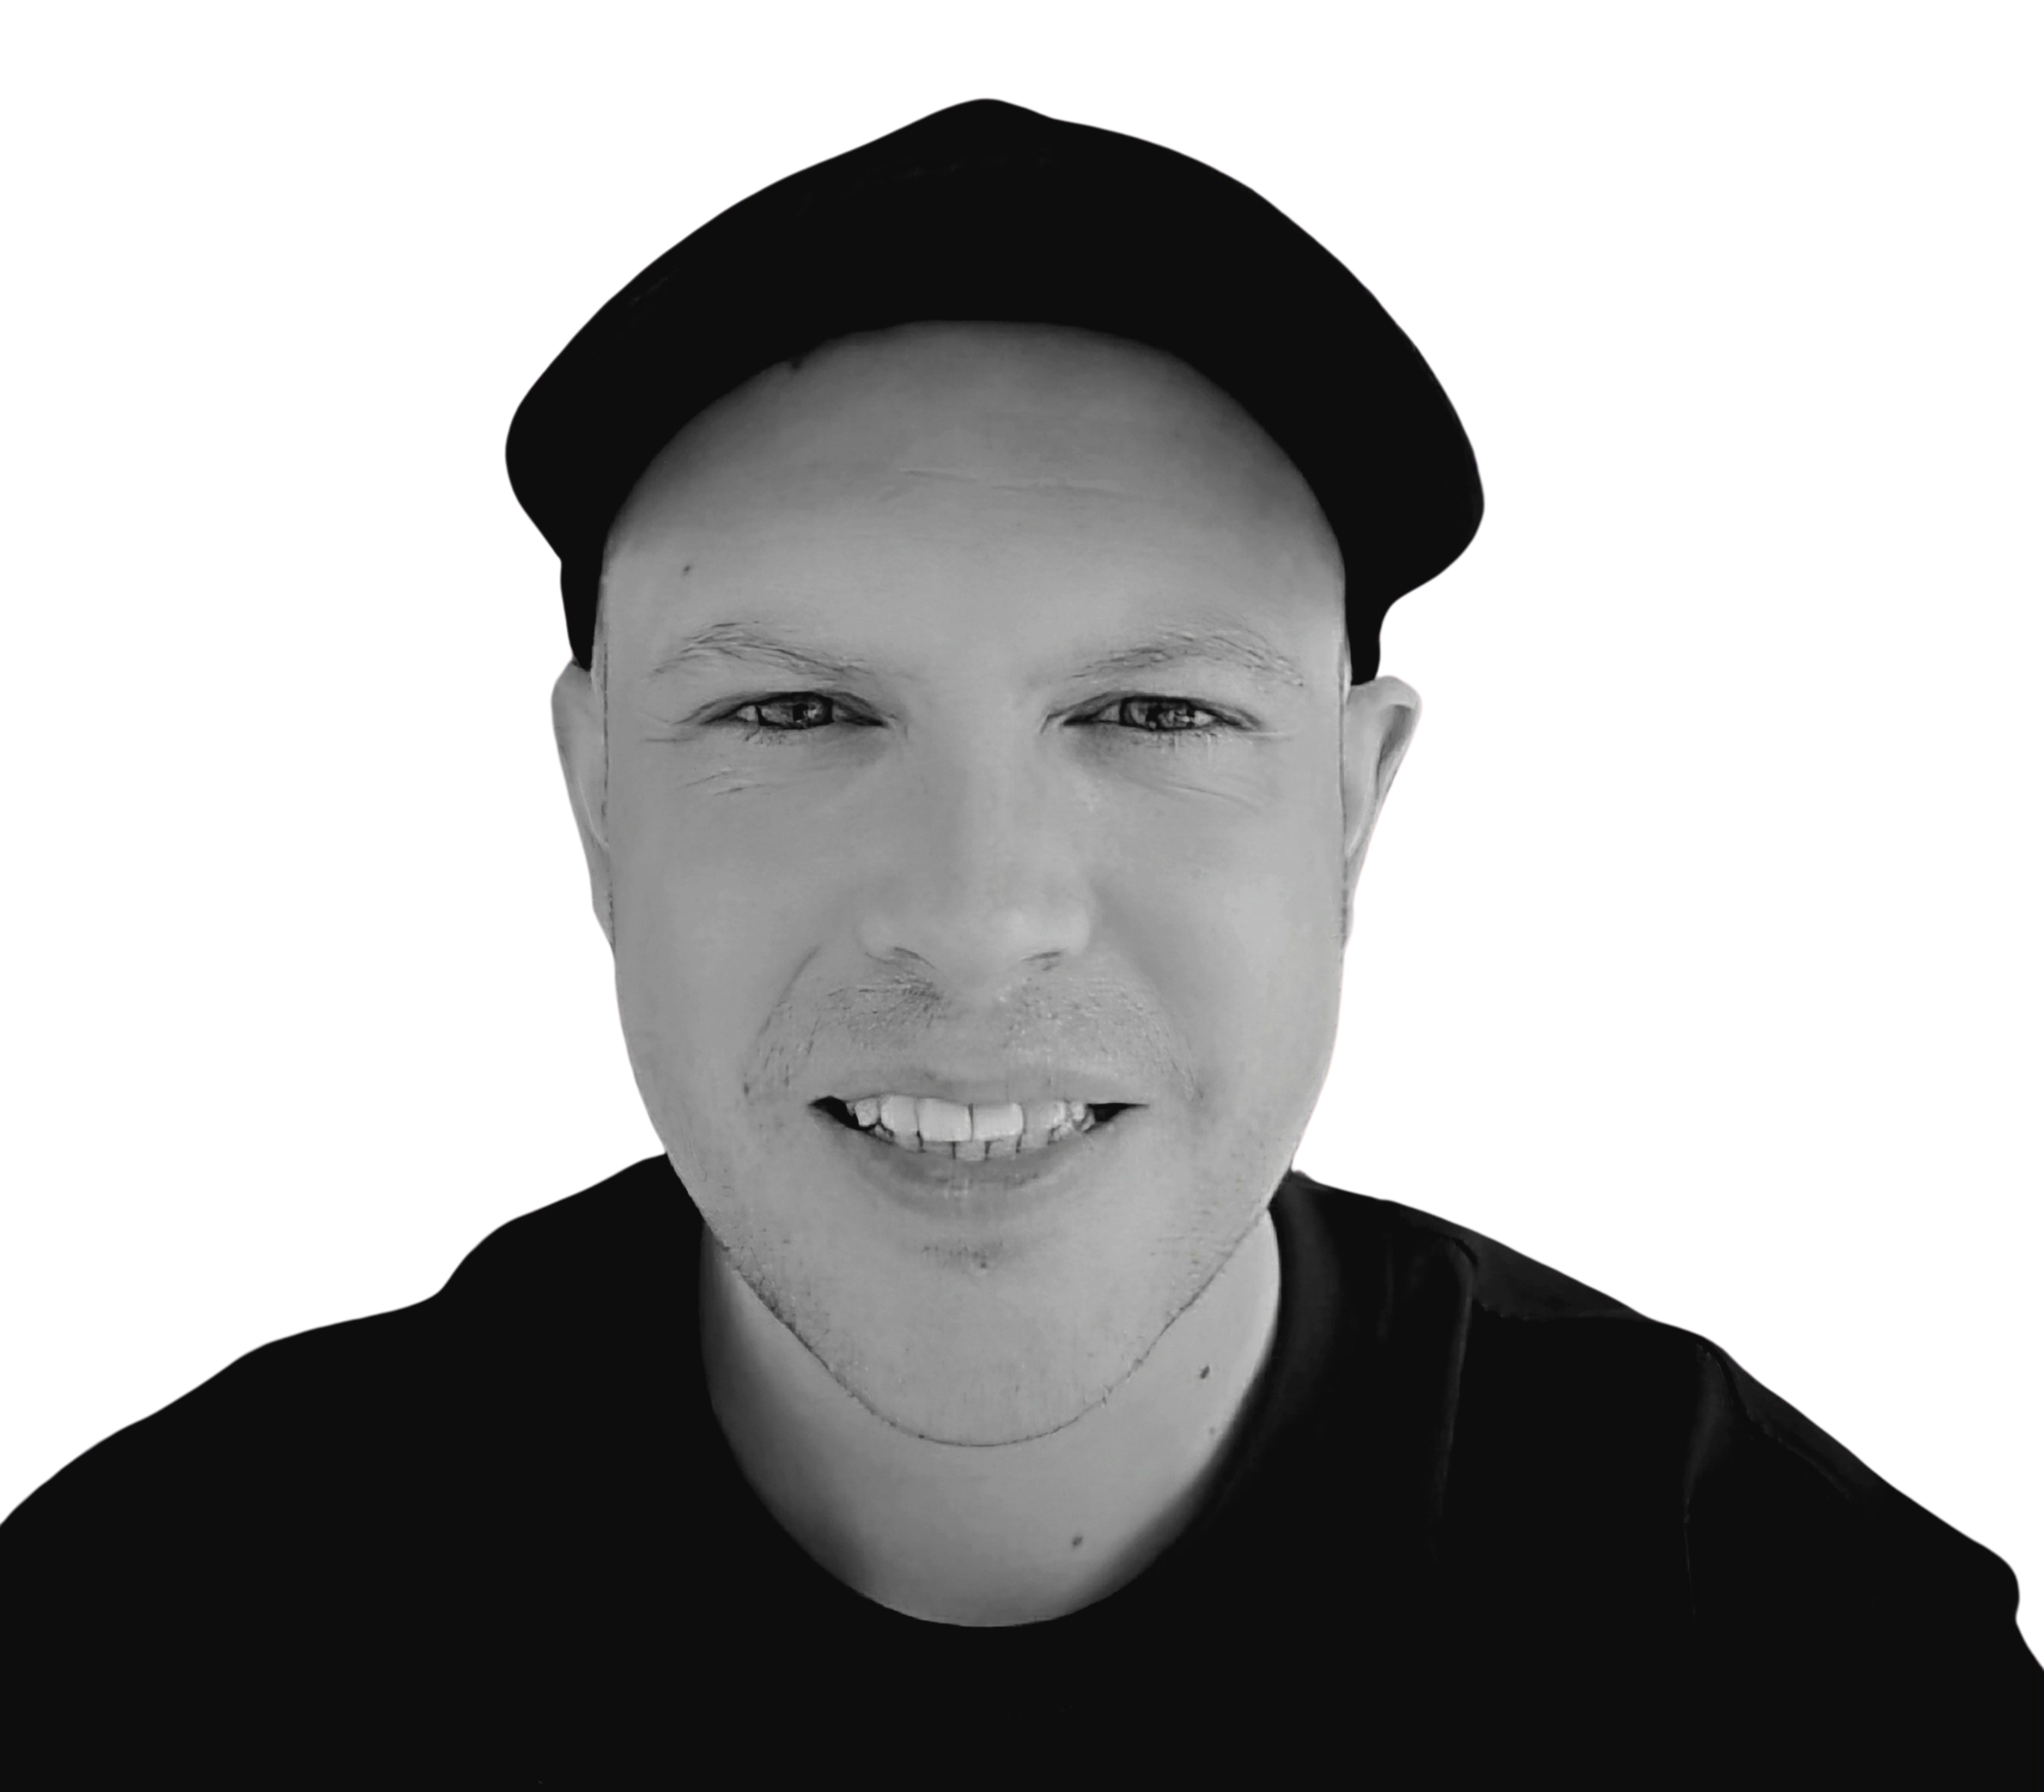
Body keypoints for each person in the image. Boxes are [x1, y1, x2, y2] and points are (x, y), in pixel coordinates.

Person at [3, 100, 2036, 1784]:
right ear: (596, 797)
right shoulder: (147, 1648)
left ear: (1349, 808)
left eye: (1151, 712)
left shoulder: (1798, 1664)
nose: (977, 924)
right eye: (794, 711)